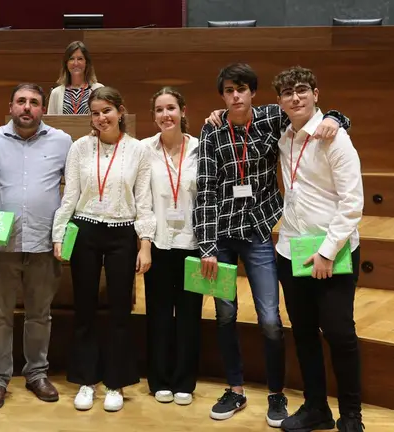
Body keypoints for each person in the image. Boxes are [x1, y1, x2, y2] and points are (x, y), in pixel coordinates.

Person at [195, 63, 350, 427]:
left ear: (253, 93)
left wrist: (338, 119)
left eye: (243, 89)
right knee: (225, 315)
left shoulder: (271, 119)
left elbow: (313, 118)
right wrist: (206, 247)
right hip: (220, 236)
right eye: (229, 90)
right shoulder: (211, 130)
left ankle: (276, 394)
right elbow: (203, 191)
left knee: (269, 319)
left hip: (259, 233)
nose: (236, 96)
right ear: (222, 96)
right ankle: (235, 388)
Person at [271, 66, 365, 432]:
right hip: (292, 249)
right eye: (287, 93)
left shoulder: (335, 138)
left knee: (340, 334)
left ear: (315, 93)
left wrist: (326, 252)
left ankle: (351, 415)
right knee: (305, 333)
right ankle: (316, 409)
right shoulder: (284, 136)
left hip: (334, 251)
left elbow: (352, 203)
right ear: (280, 102)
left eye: (302, 90)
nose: (295, 98)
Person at [52, 86, 155, 413]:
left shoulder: (138, 150)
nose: (101, 118)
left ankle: (115, 382)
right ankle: (86, 379)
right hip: (84, 230)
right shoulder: (80, 147)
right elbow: (70, 195)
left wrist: (146, 244)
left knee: (120, 311)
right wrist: (59, 235)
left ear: (120, 111)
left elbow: (144, 201)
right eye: (95, 113)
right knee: (84, 307)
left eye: (106, 111)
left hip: (123, 233)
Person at [0, 83, 72, 409]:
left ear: (42, 109)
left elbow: (73, 191)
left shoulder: (63, 142)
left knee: (39, 315)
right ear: (11, 106)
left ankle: (36, 374)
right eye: (21, 101)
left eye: (34, 102)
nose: (27, 107)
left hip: (44, 245)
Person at [139, 87, 202, 406]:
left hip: (194, 245)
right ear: (154, 116)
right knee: (160, 314)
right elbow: (143, 203)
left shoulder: (202, 150)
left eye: (171, 108)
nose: (166, 115)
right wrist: (145, 244)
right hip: (160, 244)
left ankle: (184, 382)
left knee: (190, 315)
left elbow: (208, 200)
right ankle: (159, 379)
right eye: (160, 110)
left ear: (183, 111)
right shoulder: (144, 150)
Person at [47, 41, 104, 115]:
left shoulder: (98, 89)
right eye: (71, 59)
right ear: (66, 63)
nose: (76, 63)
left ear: (86, 63)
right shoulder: (56, 93)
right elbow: (51, 123)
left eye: (80, 59)